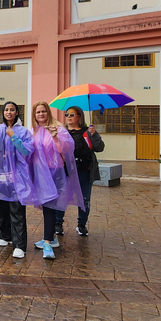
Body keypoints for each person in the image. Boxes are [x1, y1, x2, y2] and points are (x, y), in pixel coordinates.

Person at [0, 102, 35, 259]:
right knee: (2, 205)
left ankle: (19, 245)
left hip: (17, 175)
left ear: (17, 113)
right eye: (6, 110)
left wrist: (14, 137)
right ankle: (5, 235)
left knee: (16, 207)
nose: (9, 112)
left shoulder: (23, 131)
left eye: (12, 110)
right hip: (0, 174)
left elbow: (27, 150)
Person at [30, 102, 85, 258]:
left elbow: (67, 150)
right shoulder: (35, 131)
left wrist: (55, 138)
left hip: (54, 174)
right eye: (38, 112)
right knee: (48, 206)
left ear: (48, 113)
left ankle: (47, 242)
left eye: (43, 111)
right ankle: (51, 238)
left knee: (49, 205)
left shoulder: (58, 129)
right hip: (40, 174)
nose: (41, 114)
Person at [58, 106, 105, 236]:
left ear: (79, 117)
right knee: (61, 197)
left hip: (85, 170)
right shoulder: (62, 132)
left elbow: (99, 148)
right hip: (66, 171)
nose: (68, 117)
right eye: (66, 114)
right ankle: (58, 223)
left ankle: (82, 224)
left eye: (72, 115)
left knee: (84, 198)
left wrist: (94, 134)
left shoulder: (87, 132)